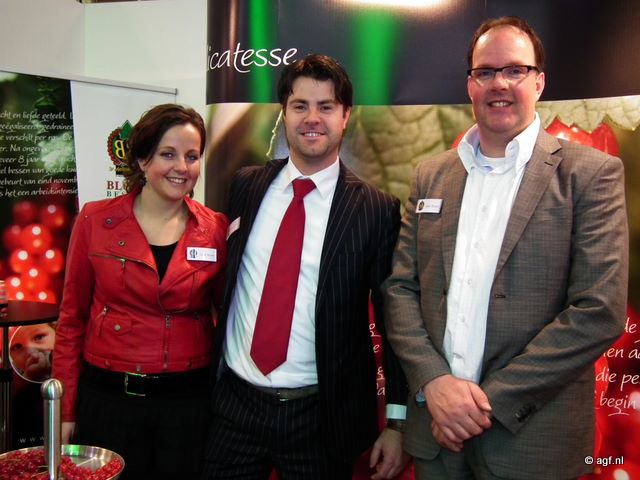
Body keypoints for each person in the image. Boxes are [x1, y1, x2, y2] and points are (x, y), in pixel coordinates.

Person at [383, 16, 628, 480]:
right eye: (485, 72)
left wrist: (483, 405)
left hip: (532, 440)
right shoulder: (431, 175)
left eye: (515, 70)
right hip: (435, 436)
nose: (499, 83)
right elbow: (400, 288)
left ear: (539, 82)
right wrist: (434, 382)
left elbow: (598, 310)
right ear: (470, 85)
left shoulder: (590, 174)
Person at [202, 54, 409, 480]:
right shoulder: (246, 185)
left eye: (326, 106)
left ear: (345, 116)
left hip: (320, 419)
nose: (312, 118)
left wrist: (397, 422)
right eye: (300, 106)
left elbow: (395, 320)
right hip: (235, 408)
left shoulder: (375, 209)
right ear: (284, 112)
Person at [52, 104, 228, 479]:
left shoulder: (215, 229)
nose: (182, 167)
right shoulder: (95, 220)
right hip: (109, 401)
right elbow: (71, 321)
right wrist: (65, 410)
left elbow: (229, 319)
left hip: (187, 407)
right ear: (143, 160)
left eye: (192, 156)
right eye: (168, 154)